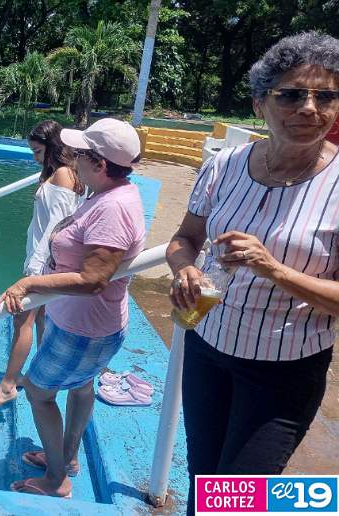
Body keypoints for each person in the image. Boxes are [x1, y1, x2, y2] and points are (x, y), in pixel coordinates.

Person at [166, 32, 339, 515]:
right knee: (203, 480)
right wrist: (184, 271)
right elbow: (184, 239)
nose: (309, 108)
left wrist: (274, 269)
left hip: (284, 372)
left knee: (236, 500)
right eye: (292, 94)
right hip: (208, 348)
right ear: (260, 103)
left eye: (326, 96)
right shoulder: (224, 165)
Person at [0, 118, 145, 498]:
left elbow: (92, 280)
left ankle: (56, 480)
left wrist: (29, 283)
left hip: (83, 329)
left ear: (100, 164)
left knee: (38, 392)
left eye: (80, 154)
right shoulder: (109, 194)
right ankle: (67, 458)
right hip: (85, 325)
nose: (73, 159)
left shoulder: (112, 209)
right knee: (81, 387)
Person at [0, 120, 84, 411]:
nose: (35, 158)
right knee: (40, 320)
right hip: (44, 260)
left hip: (43, 263)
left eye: (38, 151)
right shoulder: (61, 172)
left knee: (21, 320)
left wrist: (34, 272)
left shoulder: (62, 174)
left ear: (53, 147)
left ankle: (7, 386)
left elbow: (56, 227)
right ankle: (40, 377)